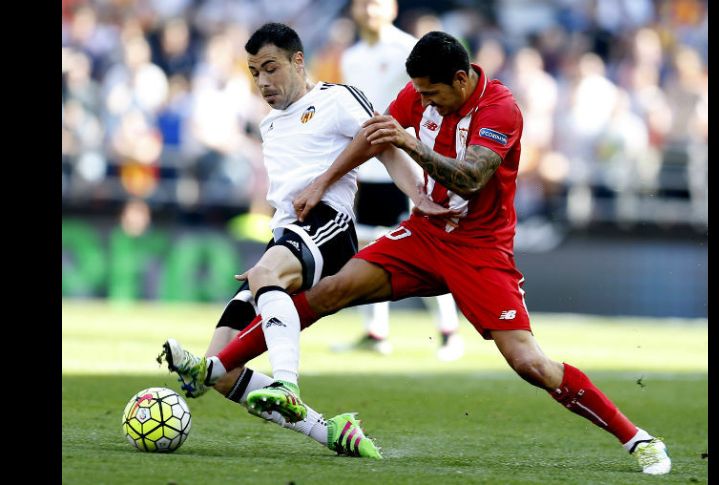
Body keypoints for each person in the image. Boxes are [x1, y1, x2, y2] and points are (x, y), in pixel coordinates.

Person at [171, 31, 672, 475]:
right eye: (419, 94)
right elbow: (374, 136)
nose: (423, 102)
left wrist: (412, 144)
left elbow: (471, 176)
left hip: (480, 249)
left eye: (432, 94)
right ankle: (215, 367)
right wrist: (323, 181)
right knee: (328, 290)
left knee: (529, 363)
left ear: (461, 79)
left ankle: (638, 438)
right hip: (425, 234)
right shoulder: (418, 92)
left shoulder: (500, 109)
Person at [158, 22, 452, 459]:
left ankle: (286, 383)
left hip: (329, 226)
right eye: (255, 72)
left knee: (264, 273)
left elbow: (384, 142)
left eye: (270, 69)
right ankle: (331, 431)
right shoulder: (268, 125)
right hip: (284, 238)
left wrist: (420, 197)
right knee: (219, 372)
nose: (262, 82)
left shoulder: (335, 98)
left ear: (298, 61)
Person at [336, 0, 464, 360]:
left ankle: (449, 331)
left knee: (421, 249)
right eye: (362, 4)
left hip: (403, 166)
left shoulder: (408, 48)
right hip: (367, 165)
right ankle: (376, 332)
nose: (368, 10)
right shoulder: (352, 56)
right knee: (367, 247)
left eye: (376, 3)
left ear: (391, 8)